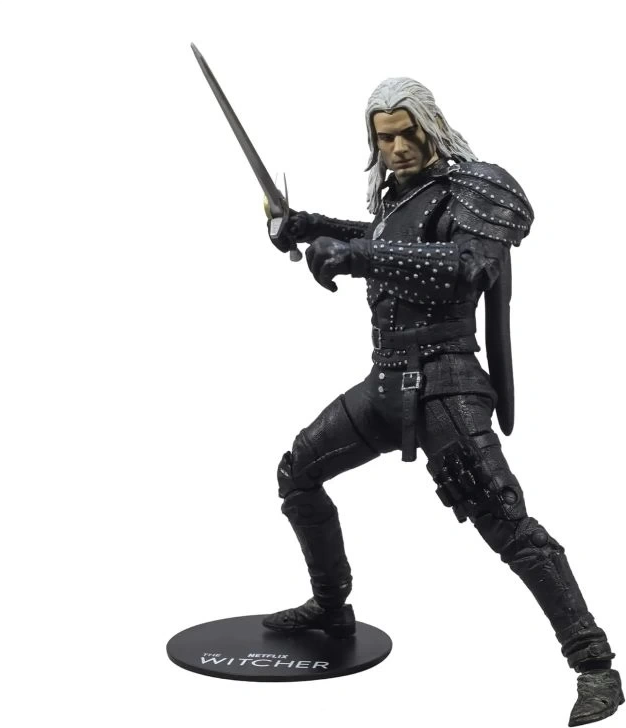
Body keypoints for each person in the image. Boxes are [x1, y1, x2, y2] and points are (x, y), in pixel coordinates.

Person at [261, 77, 622, 727]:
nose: (397, 147)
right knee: (298, 472)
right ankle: (331, 608)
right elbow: (382, 237)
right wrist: (310, 226)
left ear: (430, 127)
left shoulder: (477, 189)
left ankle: (595, 667)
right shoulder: (400, 198)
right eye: (384, 138)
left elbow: (461, 266)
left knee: (508, 524)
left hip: (446, 386)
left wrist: (357, 254)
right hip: (385, 383)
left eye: (407, 133)